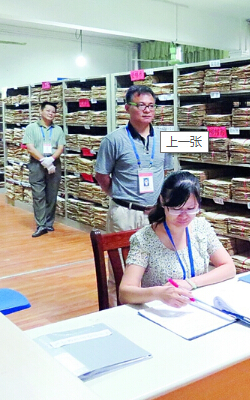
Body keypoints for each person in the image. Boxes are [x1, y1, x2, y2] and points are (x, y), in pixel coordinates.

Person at [95, 85, 172, 305]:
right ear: (127, 108)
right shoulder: (113, 140)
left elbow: (165, 172)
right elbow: (102, 176)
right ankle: (116, 312)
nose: (147, 110)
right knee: (121, 268)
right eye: (141, 105)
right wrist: (120, 197)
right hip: (125, 213)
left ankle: (148, 309)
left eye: (151, 106)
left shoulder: (164, 138)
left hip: (155, 214)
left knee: (155, 265)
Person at [119, 171, 235, 306]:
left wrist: (190, 283)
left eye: (191, 208)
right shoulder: (144, 239)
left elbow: (229, 267)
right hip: (161, 309)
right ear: (162, 201)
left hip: (197, 304)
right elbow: (125, 293)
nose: (184, 216)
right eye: (176, 209)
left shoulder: (201, 227)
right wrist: (158, 293)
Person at [23, 101, 65, 237]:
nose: (51, 113)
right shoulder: (31, 128)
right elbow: (30, 147)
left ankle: (48, 223)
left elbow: (61, 147)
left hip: (54, 163)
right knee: (38, 195)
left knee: (52, 194)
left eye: (53, 112)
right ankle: (41, 225)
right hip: (37, 164)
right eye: (48, 110)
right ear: (40, 111)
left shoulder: (58, 129)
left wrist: (51, 159)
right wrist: (43, 160)